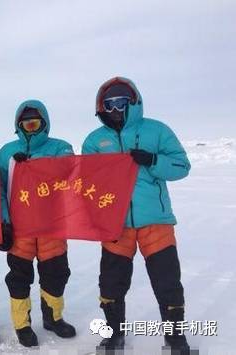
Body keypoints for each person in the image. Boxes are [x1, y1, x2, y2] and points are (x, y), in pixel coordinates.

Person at [82, 77, 191, 353]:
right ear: (101, 107)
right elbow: (86, 181)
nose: (116, 108)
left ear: (133, 103)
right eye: (110, 104)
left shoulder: (156, 131)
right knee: (111, 283)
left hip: (156, 221)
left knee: (167, 282)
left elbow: (181, 166)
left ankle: (175, 337)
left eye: (122, 102)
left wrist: (153, 161)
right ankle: (114, 335)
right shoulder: (94, 141)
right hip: (115, 225)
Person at [0, 100, 76, 347]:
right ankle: (22, 324)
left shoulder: (61, 147)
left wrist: (34, 165)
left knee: (56, 275)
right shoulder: (6, 152)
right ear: (18, 126)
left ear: (44, 124)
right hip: (20, 229)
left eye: (35, 123)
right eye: (26, 124)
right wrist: (4, 223)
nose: (31, 128)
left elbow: (68, 170)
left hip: (52, 226)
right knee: (19, 278)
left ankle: (53, 318)